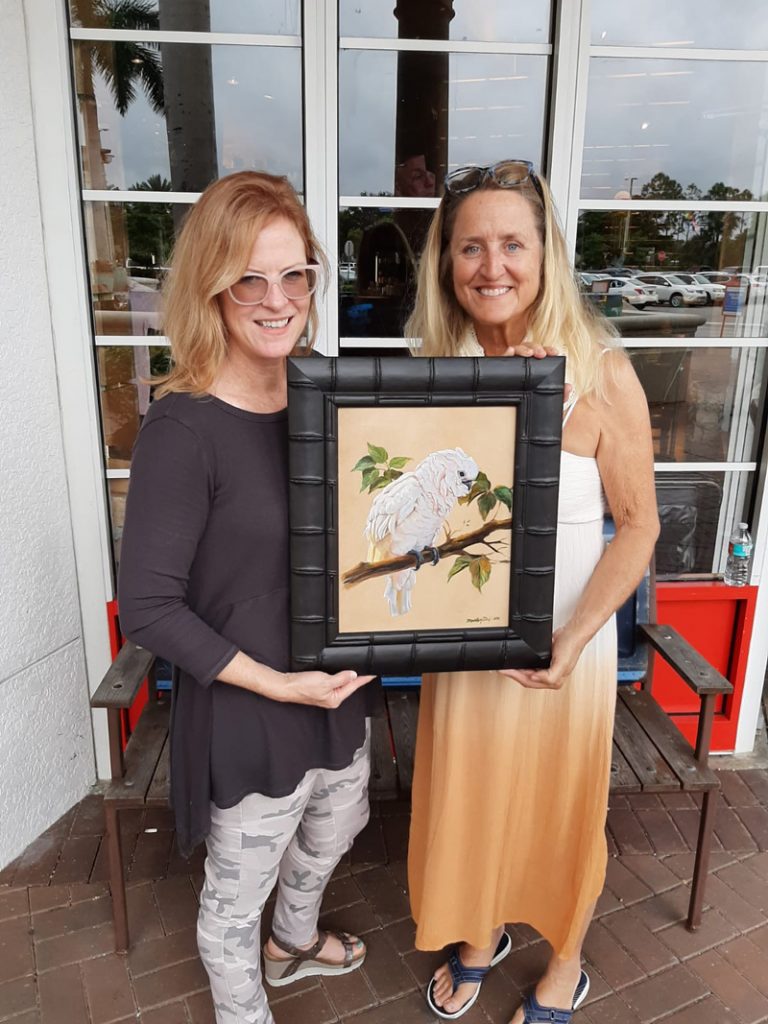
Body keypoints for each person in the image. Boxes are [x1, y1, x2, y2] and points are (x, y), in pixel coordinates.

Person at [404, 160, 660, 1023]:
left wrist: (577, 639)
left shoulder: (601, 371)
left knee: (558, 807)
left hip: (565, 644)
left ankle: (568, 964)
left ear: (546, 253)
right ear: (447, 263)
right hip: (464, 640)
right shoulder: (436, 367)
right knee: (471, 795)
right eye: (470, 246)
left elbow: (641, 527)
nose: (492, 266)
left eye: (513, 243)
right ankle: (480, 933)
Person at [117, 171, 375, 1024]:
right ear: (212, 288)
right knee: (232, 905)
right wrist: (277, 684)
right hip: (252, 707)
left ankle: (292, 942)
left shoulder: (327, 391)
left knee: (337, 827)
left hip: (334, 687)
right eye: (250, 279)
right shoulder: (182, 427)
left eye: (294, 274)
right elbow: (149, 608)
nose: (277, 299)